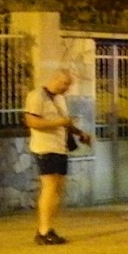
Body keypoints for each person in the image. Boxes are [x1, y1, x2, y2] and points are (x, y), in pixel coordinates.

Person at [24, 68, 92, 245]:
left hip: (59, 147)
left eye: (68, 85)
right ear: (55, 79)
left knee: (57, 190)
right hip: (45, 148)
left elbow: (65, 122)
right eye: (65, 84)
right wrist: (59, 122)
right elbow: (32, 122)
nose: (66, 88)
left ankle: (48, 228)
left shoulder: (60, 99)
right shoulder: (36, 96)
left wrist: (79, 133)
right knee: (49, 188)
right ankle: (43, 231)